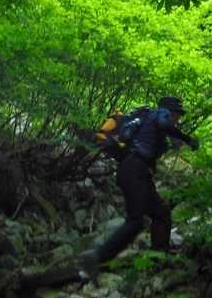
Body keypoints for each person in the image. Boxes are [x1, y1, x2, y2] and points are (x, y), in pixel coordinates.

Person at [78, 96, 198, 280]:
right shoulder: (160, 114)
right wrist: (187, 139)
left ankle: (159, 259)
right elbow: (164, 125)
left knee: (161, 213)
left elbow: (155, 143)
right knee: (135, 221)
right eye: (177, 114)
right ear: (170, 111)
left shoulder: (148, 124)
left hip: (136, 172)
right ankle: (95, 257)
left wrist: (174, 143)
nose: (178, 119)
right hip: (134, 171)